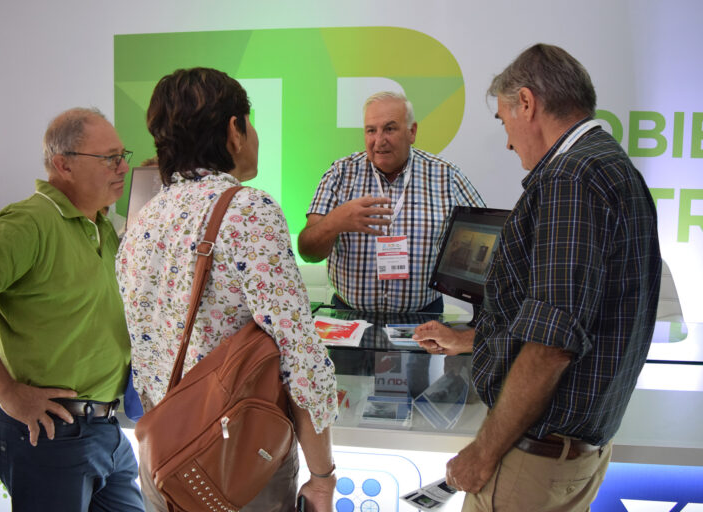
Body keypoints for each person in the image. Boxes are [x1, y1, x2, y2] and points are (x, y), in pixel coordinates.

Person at [415, 44, 662, 511]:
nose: (508, 141)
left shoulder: (570, 178)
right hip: (574, 451)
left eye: (504, 120)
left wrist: (482, 453)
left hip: (534, 458)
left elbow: (551, 345)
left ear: (527, 103)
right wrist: (472, 340)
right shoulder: (612, 165)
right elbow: (576, 314)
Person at [117, 67, 338, 512]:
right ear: (234, 131)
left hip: (164, 460)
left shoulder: (143, 220)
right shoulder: (247, 211)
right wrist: (322, 476)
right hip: (235, 461)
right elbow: (301, 359)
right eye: (249, 122)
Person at [0, 108, 143, 511]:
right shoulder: (31, 221)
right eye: (109, 158)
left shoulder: (101, 226)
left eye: (123, 155)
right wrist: (7, 392)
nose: (123, 167)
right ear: (63, 164)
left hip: (105, 430)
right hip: (49, 433)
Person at [298, 91, 484, 313]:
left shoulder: (446, 175)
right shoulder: (340, 174)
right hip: (351, 318)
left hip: (423, 319)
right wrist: (335, 222)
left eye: (390, 128)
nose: (379, 140)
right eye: (371, 131)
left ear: (412, 131)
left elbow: (488, 243)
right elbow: (307, 251)